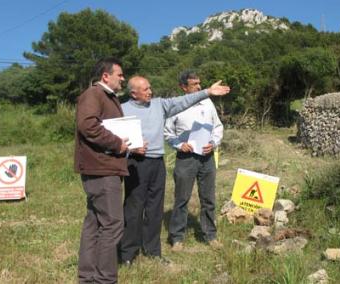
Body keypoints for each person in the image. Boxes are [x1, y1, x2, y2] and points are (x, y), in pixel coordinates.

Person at [118, 75, 230, 265]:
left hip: (157, 162)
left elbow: (183, 101)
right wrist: (130, 148)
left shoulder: (159, 104)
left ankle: (153, 251)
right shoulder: (121, 109)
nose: (150, 92)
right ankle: (128, 253)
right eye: (145, 90)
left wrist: (207, 92)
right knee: (134, 208)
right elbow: (112, 137)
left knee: (155, 209)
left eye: (150, 88)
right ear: (133, 93)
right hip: (135, 163)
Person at [74, 57, 130, 283]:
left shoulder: (106, 97)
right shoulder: (94, 94)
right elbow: (87, 125)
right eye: (120, 74)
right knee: (112, 225)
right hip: (102, 170)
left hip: (102, 169)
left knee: (95, 224)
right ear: (106, 76)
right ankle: (105, 279)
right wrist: (117, 143)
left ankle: (87, 277)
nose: (123, 78)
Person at [164, 70, 224, 252]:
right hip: (186, 158)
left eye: (199, 83)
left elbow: (218, 127)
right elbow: (167, 132)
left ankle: (210, 236)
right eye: (194, 84)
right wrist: (179, 144)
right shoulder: (176, 106)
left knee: (208, 198)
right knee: (182, 199)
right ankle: (177, 238)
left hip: (207, 157)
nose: (199, 87)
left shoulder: (208, 102)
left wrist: (213, 143)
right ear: (183, 87)